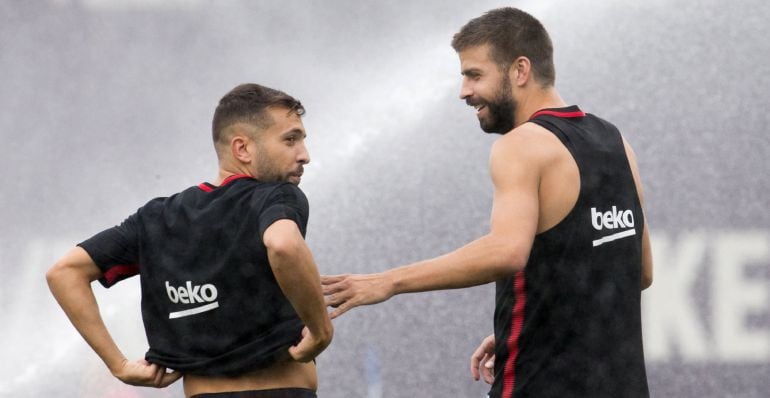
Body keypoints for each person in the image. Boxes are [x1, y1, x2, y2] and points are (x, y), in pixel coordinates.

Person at [321, 7, 652, 398]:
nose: (463, 91)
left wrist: (388, 281)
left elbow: (507, 251)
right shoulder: (616, 142)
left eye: (474, 75)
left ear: (520, 70)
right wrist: (534, 327)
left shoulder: (519, 146)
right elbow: (640, 272)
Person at [46, 83, 333, 398]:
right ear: (243, 149)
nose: (304, 155)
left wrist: (119, 365)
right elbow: (283, 244)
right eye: (290, 140)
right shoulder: (275, 195)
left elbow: (64, 272)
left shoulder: (156, 218)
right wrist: (321, 331)